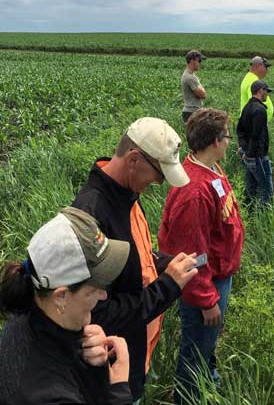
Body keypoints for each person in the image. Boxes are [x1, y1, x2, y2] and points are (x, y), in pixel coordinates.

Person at [71, 117, 202, 402]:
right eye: (157, 173)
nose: (158, 181)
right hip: (112, 374)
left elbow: (135, 257)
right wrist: (168, 286)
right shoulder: (92, 216)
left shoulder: (128, 194)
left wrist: (163, 261)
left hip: (135, 354)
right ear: (133, 159)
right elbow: (97, 313)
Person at [0, 207, 140, 405]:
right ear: (61, 296)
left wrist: (94, 365)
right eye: (95, 288)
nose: (104, 295)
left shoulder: (29, 316)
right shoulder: (46, 394)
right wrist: (119, 390)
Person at [158, 108, 246, 405]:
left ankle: (209, 382)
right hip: (205, 286)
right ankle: (187, 396)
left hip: (219, 276)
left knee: (205, 346)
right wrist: (207, 300)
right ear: (214, 142)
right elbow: (192, 255)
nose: (229, 141)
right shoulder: (194, 191)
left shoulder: (210, 169)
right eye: (226, 136)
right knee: (195, 350)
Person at [236, 80, 274, 206]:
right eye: (266, 91)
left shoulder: (246, 107)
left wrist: (243, 148)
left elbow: (239, 129)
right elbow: (255, 135)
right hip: (258, 156)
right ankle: (264, 220)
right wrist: (250, 153)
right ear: (260, 90)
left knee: (251, 188)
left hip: (249, 154)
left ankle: (249, 213)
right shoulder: (260, 110)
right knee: (266, 191)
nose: (267, 94)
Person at [180, 50, 207, 125]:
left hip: (190, 111)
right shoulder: (190, 77)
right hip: (192, 112)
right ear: (192, 61)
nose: (200, 63)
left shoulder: (189, 75)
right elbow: (203, 95)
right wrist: (200, 86)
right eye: (199, 61)